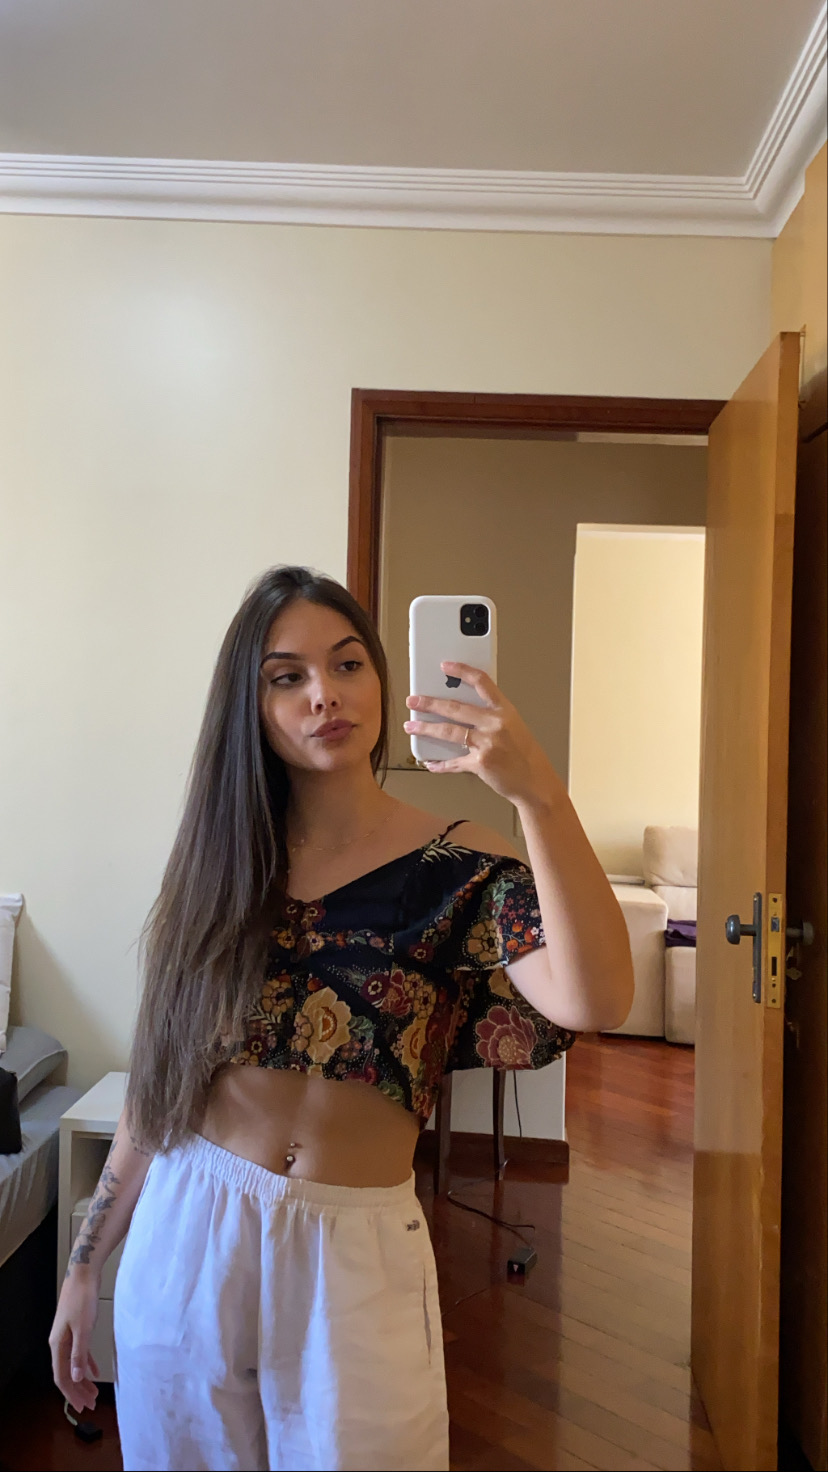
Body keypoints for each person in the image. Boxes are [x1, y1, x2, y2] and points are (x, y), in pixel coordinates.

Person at [49, 565, 633, 1472]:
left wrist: (538, 797)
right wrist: (87, 1263)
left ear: (382, 680)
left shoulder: (464, 868)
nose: (324, 694)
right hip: (190, 1231)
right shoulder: (219, 867)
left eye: (347, 664)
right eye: (287, 677)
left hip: (354, 1251)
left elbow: (596, 1000)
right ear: (252, 708)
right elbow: (161, 1079)